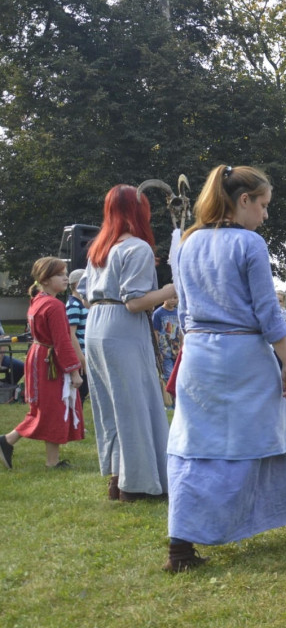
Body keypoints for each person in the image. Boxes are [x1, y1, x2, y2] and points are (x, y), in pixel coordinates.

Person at [164, 164, 286, 572]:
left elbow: (185, 310)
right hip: (243, 356)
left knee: (195, 446)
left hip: (199, 356)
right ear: (243, 201)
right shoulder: (249, 243)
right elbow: (267, 311)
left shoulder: (188, 242)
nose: (265, 214)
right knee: (271, 435)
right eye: (262, 205)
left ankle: (180, 546)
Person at [81, 184, 176, 502]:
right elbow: (135, 302)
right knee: (134, 403)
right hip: (122, 326)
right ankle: (136, 485)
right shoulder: (137, 248)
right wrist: (172, 288)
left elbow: (83, 292)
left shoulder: (99, 248)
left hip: (96, 325)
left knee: (111, 404)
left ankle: (118, 478)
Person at [0, 258, 84, 470]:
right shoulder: (54, 305)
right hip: (49, 361)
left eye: (65, 273)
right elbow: (62, 341)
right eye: (60, 274)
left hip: (39, 356)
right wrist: (74, 371)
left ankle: (45, 458)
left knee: (48, 408)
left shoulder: (38, 300)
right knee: (52, 408)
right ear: (45, 280)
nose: (66, 278)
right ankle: (10, 442)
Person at [65, 268, 89, 402]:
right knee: (80, 393)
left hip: (87, 353)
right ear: (77, 284)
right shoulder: (73, 305)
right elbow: (70, 334)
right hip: (81, 355)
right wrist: (81, 358)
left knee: (85, 391)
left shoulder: (83, 303)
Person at [151, 294, 181, 386]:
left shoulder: (178, 312)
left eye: (175, 298)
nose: (172, 300)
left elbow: (180, 331)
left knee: (179, 375)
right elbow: (155, 332)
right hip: (164, 351)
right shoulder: (158, 313)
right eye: (170, 297)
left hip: (176, 350)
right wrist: (157, 350)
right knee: (169, 376)